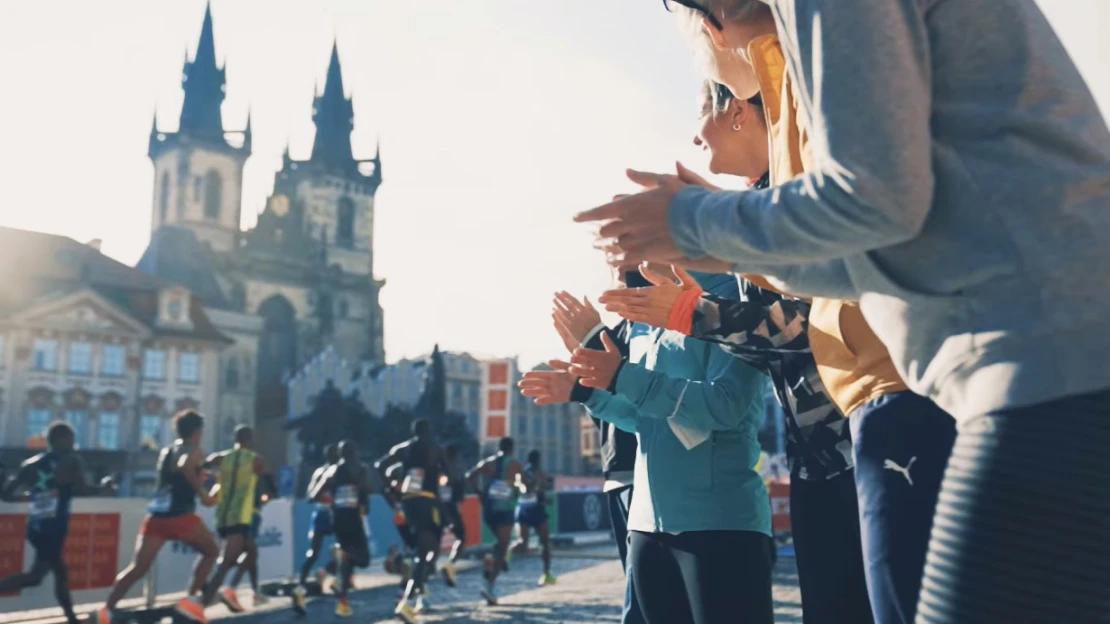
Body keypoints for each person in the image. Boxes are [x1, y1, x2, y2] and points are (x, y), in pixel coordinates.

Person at [577, 2, 1110, 620]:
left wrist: (693, 224)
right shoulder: (798, 54)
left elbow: (875, 204)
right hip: (1012, 363)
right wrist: (712, 248)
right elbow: (855, 261)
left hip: (1029, 363)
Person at [679, 77, 957, 623]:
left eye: (701, 116)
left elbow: (806, 317)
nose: (694, 138)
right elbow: (775, 350)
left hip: (867, 431)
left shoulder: (792, 196)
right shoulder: (750, 208)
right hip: (817, 457)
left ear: (738, 111)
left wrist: (692, 313)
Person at [521, 266, 774, 624]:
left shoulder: (731, 291)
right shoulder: (643, 313)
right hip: (645, 528)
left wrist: (621, 375)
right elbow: (645, 419)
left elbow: (727, 405)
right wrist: (584, 392)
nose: (610, 254)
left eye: (620, 234)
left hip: (718, 522)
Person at [552, 289, 644, 624]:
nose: (617, 262)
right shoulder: (617, 332)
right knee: (637, 590)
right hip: (615, 475)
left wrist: (594, 338)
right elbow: (602, 407)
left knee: (642, 601)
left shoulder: (646, 330)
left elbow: (642, 395)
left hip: (645, 472)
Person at [96, 410, 219, 624]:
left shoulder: (167, 451)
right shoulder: (194, 451)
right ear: (197, 432)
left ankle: (107, 610)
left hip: (156, 517)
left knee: (138, 568)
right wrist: (203, 494)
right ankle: (190, 602)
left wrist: (202, 472)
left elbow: (179, 469)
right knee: (211, 551)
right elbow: (185, 466)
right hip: (180, 516)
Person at [0, 422, 115, 624]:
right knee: (35, 577)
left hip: (35, 527)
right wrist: (104, 487)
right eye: (71, 439)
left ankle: (72, 619)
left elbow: (7, 494)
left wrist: (32, 496)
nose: (74, 443)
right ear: (61, 439)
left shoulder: (30, 464)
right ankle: (72, 619)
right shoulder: (71, 460)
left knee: (61, 571)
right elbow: (83, 489)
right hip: (54, 528)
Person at [375, 419, 448, 623]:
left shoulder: (403, 451)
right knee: (427, 552)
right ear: (429, 431)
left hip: (406, 506)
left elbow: (379, 466)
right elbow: (447, 475)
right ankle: (408, 600)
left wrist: (390, 487)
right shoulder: (435, 449)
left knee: (421, 551)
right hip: (427, 502)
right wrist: (442, 476)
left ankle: (417, 594)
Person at [300, 440, 371, 618]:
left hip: (337, 519)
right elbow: (368, 489)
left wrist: (333, 494)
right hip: (353, 519)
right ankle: (341, 564)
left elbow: (313, 495)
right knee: (363, 560)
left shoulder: (330, 472)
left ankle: (342, 602)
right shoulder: (360, 469)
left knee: (344, 558)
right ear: (354, 453)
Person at [202, 425, 268, 614]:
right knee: (225, 565)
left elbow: (203, 467)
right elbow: (263, 480)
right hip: (241, 516)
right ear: (250, 439)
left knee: (252, 552)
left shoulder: (220, 457)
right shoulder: (257, 459)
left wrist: (213, 484)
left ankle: (242, 590)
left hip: (223, 515)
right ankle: (201, 605)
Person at [466, 437, 523, 606]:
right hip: (505, 509)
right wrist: (519, 488)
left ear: (499, 448)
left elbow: (470, 476)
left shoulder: (489, 462)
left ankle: (491, 560)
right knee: (503, 547)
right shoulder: (515, 465)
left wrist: (479, 492)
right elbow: (527, 485)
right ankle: (490, 585)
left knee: (500, 543)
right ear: (512, 448)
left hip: (489, 509)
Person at [223, 474, 277, 609]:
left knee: (252, 555)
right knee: (250, 554)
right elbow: (263, 496)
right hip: (250, 517)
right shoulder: (252, 477)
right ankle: (231, 589)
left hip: (240, 517)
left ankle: (256, 593)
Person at [298, 445, 339, 594]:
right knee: (346, 549)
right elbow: (311, 495)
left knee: (316, 552)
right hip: (330, 513)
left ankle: (306, 580)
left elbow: (310, 495)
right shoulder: (329, 471)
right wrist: (326, 497)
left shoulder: (321, 471)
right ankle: (307, 580)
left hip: (323, 513)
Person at [514, 450, 555, 586]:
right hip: (530, 509)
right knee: (538, 542)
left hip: (527, 508)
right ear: (536, 460)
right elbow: (527, 489)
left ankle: (546, 573)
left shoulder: (530, 472)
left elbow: (537, 492)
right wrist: (536, 483)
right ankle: (546, 573)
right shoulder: (531, 473)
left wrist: (545, 498)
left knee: (531, 542)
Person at [438, 444, 468, 585]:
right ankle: (450, 563)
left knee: (434, 539)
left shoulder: (436, 466)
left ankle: (431, 565)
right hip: (447, 507)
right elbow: (459, 492)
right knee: (461, 536)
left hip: (435, 506)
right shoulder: (454, 469)